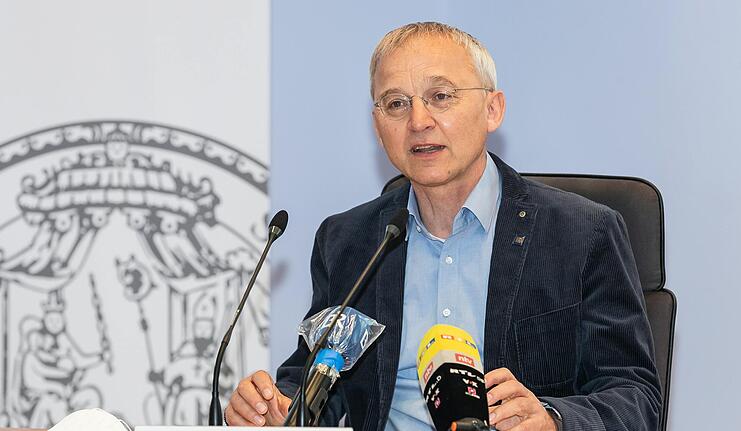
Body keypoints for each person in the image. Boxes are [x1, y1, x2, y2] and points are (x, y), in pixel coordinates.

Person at [225, 22, 661, 430]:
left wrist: (553, 417)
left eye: (441, 96)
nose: (418, 121)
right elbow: (319, 378)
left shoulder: (582, 233)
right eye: (396, 103)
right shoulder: (349, 241)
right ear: (378, 127)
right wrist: (279, 406)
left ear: (493, 109)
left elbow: (635, 396)